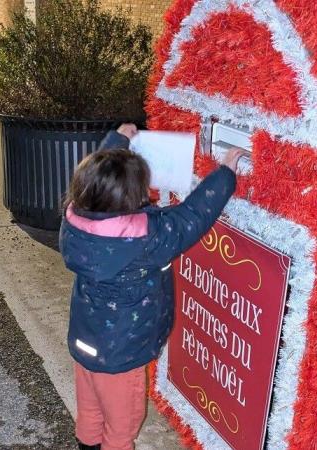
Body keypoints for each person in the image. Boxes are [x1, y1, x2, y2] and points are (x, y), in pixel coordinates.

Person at [59, 123, 247, 450]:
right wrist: (225, 174)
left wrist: (118, 141)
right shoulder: (145, 239)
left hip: (85, 342)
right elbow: (190, 218)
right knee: (121, 431)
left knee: (90, 414)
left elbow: (95, 173)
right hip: (122, 356)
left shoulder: (74, 219)